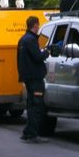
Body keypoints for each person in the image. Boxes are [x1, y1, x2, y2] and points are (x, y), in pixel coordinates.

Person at [17, 15, 49, 144]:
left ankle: (27, 132)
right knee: (36, 106)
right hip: (35, 78)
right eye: (38, 25)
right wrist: (47, 52)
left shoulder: (22, 40)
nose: (39, 27)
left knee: (31, 105)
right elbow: (37, 57)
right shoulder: (31, 40)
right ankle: (33, 134)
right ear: (35, 25)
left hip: (28, 77)